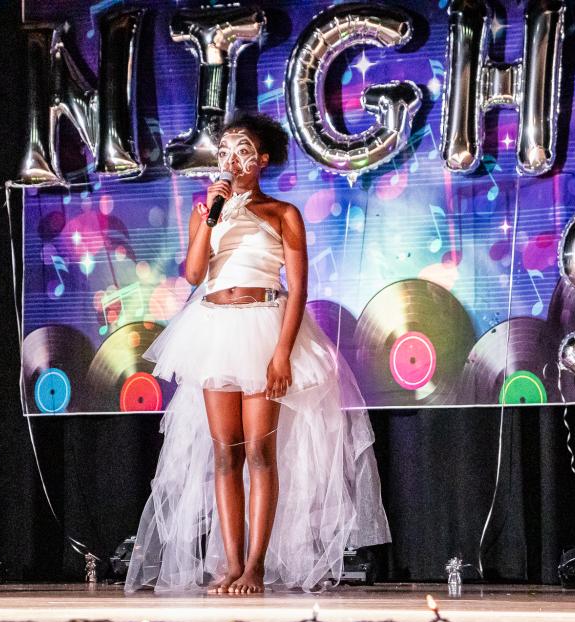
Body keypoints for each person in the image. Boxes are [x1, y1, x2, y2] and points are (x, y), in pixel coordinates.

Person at [125, 112, 390, 595]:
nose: (231, 158)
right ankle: (230, 563)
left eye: (242, 149)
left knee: (259, 452)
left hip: (264, 324)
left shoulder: (283, 213)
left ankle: (255, 566)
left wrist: (282, 354)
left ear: (261, 159)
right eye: (224, 150)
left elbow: (299, 290)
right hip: (213, 329)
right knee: (225, 453)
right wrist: (210, 215)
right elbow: (191, 273)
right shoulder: (207, 209)